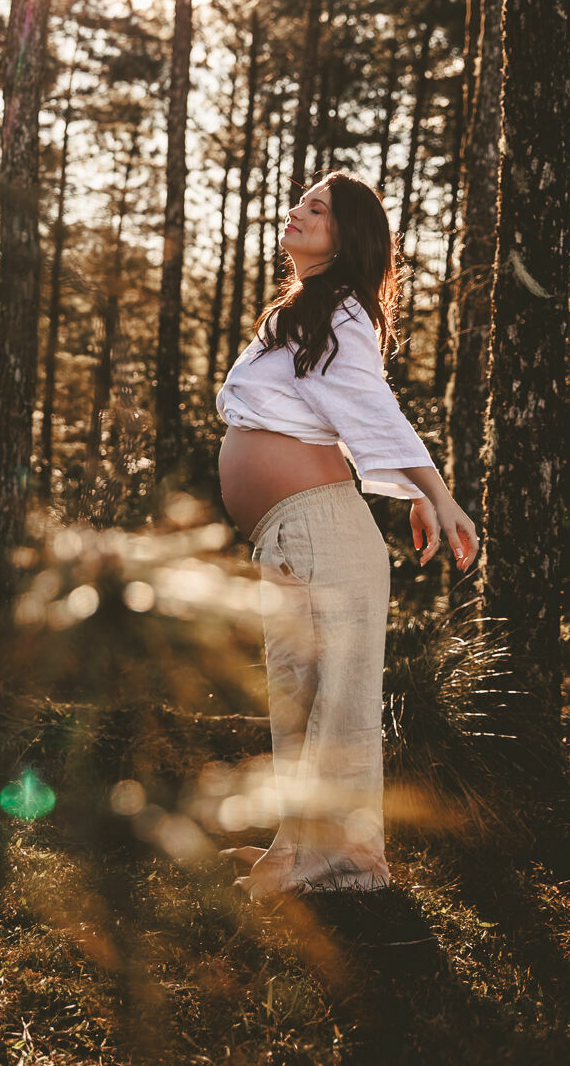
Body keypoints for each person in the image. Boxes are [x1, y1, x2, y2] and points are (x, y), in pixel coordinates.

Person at [215, 169, 478, 900]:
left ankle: (345, 869)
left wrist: (434, 493)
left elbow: (370, 408)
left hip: (325, 530)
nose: (296, 213)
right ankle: (291, 851)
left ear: (347, 236)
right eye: (299, 202)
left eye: (317, 209)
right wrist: (414, 489)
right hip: (295, 532)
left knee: (340, 705)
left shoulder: (340, 314)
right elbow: (339, 411)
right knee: (298, 698)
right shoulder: (301, 312)